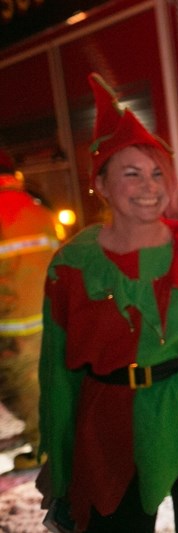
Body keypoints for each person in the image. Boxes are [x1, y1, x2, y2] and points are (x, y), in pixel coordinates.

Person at [37, 73, 178, 532]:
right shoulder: (71, 266)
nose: (149, 185)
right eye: (131, 173)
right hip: (113, 424)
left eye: (158, 172)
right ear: (100, 182)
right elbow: (57, 372)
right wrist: (59, 459)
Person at [0, 149, 61, 471]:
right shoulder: (37, 207)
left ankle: (44, 449)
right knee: (41, 381)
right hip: (44, 313)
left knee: (22, 385)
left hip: (12, 321)